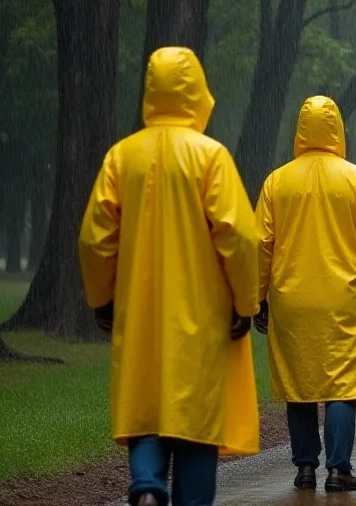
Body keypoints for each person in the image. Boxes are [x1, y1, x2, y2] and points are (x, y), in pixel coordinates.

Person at [78, 47, 260, 506]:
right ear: (198, 91)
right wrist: (245, 303)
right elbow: (238, 237)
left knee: (146, 409)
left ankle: (146, 486)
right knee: (196, 422)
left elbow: (95, 239)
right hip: (202, 317)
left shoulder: (122, 157)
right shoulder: (211, 157)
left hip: (139, 311)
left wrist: (103, 297)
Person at [254, 96, 356, 492]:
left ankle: (304, 467)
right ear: (337, 130)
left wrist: (257, 297)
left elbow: (261, 243)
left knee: (301, 386)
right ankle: (338, 468)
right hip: (343, 299)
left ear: (300, 129)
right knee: (341, 384)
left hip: (291, 300)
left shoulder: (277, 181)